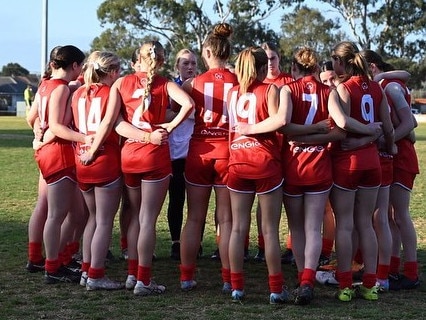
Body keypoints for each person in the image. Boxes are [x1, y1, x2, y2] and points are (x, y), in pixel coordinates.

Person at [109, 40, 194, 296]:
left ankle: (132, 274)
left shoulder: (121, 83)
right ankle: (144, 280)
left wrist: (141, 136)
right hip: (154, 156)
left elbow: (117, 124)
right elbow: (189, 105)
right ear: (162, 60)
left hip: (130, 155)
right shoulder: (165, 84)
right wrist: (167, 127)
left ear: (138, 59)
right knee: (147, 220)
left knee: (135, 215)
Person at [328, 41, 395, 302]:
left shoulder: (342, 89)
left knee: (345, 225)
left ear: (341, 62)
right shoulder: (377, 88)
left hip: (348, 162)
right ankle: (370, 284)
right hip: (373, 162)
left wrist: (364, 134)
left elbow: (342, 125)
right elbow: (387, 128)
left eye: (334, 58)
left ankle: (345, 284)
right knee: (366, 224)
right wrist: (386, 144)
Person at [226, 46, 290, 304]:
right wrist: (253, 128)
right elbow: (279, 121)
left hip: (237, 162)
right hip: (265, 163)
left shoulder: (231, 92)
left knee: (238, 228)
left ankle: (236, 287)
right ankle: (276, 288)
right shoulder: (270, 89)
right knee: (269, 230)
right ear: (264, 68)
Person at [179, 23, 237, 293]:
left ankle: (186, 277)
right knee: (226, 220)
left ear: (207, 51)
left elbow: (173, 111)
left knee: (194, 218)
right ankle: (228, 279)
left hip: (200, 151)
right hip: (228, 151)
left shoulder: (193, 83)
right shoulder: (238, 81)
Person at [361, 49, 420, 290]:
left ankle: (412, 272)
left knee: (401, 215)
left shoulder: (390, 86)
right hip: (394, 154)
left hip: (402, 157)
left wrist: (388, 140)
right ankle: (393, 268)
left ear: (372, 67)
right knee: (388, 216)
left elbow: (411, 123)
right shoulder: (384, 83)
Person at [31, 45, 88, 284]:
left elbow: (31, 117)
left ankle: (58, 259)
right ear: (74, 66)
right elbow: (56, 126)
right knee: (56, 215)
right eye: (80, 66)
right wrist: (86, 138)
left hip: (50, 152)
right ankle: (52, 267)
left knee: (77, 212)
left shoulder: (45, 84)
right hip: (59, 154)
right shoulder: (61, 88)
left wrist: (38, 135)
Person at [69, 51, 124, 290]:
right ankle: (96, 275)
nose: (120, 74)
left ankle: (86, 270)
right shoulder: (111, 92)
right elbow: (108, 123)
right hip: (102, 158)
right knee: (103, 221)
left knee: (93, 218)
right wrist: (94, 150)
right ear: (111, 72)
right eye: (118, 70)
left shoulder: (78, 92)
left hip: (81, 159)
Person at [167, 48, 197, 260]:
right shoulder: (171, 87)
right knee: (176, 199)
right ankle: (176, 241)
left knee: (198, 202)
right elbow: (164, 113)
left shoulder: (202, 86)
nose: (189, 67)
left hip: (197, 151)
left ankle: (196, 241)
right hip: (175, 151)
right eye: (185, 63)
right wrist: (186, 112)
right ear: (177, 66)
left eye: (193, 63)